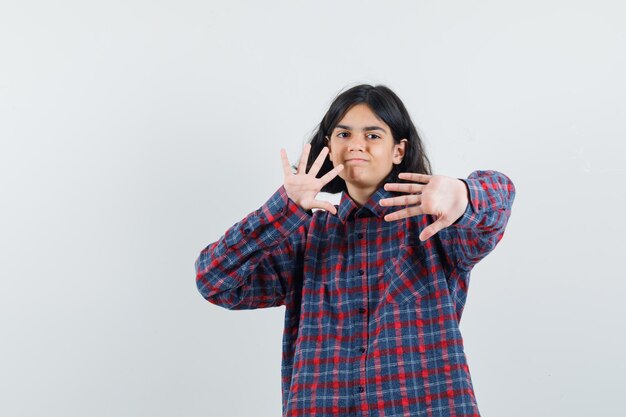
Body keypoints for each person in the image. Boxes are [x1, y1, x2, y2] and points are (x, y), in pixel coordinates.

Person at [195, 84, 516, 417]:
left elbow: (499, 200)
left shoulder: (436, 227)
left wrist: (464, 196)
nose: (356, 145)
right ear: (329, 149)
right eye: (343, 134)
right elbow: (215, 281)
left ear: (398, 151)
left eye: (373, 135)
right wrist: (283, 208)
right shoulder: (304, 237)